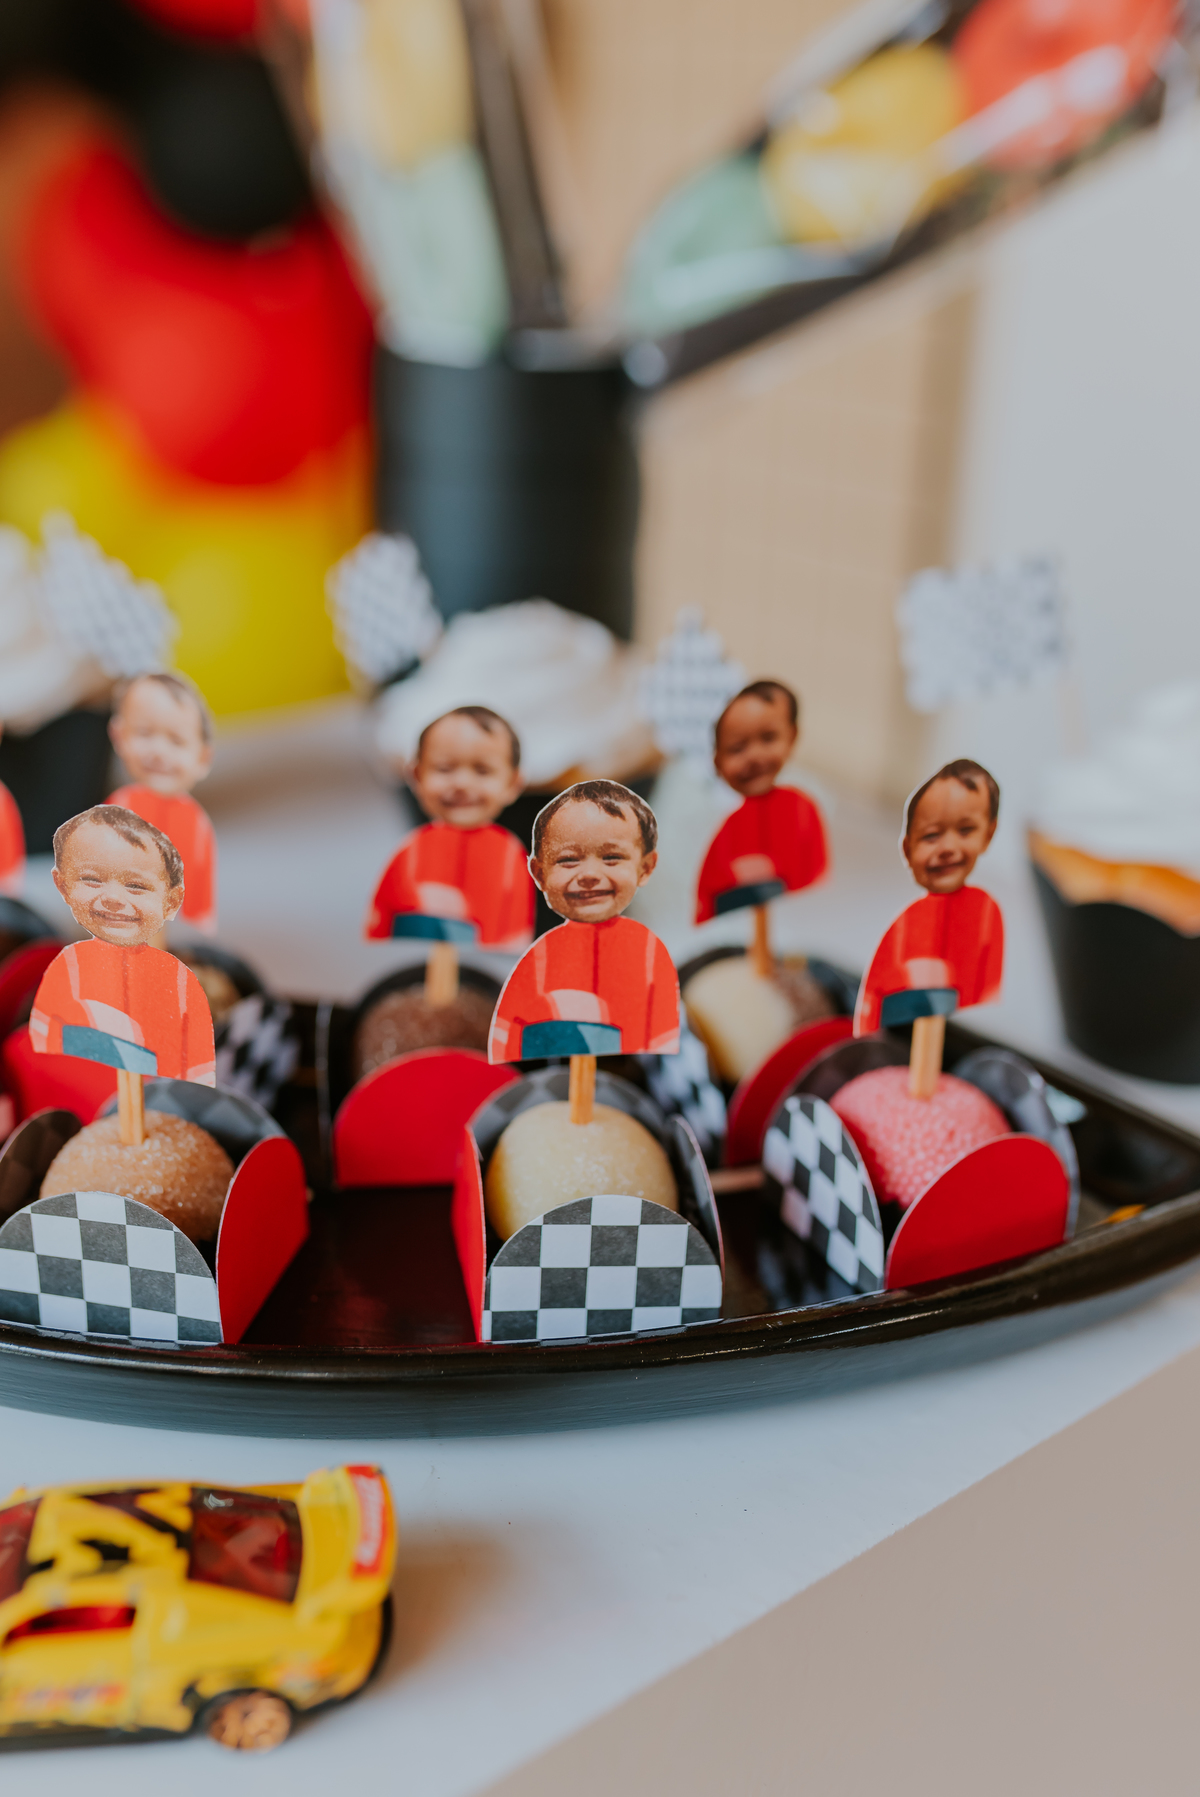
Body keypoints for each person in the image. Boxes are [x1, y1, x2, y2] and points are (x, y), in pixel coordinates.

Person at [489, 780, 679, 1061]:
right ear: (538, 873)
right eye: (568, 860)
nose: (589, 874)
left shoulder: (649, 956)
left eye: (612, 858)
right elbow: (510, 1042)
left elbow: (662, 1039)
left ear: (646, 866)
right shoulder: (535, 964)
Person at [30, 806, 215, 1082]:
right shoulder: (64, 970)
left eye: (136, 886)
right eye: (91, 880)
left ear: (173, 900)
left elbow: (192, 1083)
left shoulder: (182, 987)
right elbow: (43, 1056)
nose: (113, 898)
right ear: (63, 885)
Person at [854, 759, 1003, 1036]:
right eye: (932, 835)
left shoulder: (985, 915)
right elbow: (869, 1015)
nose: (948, 848)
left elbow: (983, 997)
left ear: (989, 833)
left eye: (965, 830)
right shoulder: (904, 929)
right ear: (907, 849)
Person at [366, 705, 533, 949]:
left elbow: (513, 940)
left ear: (513, 783)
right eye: (444, 768)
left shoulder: (509, 857)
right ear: (416, 775)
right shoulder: (409, 853)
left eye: (482, 770)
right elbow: (380, 927)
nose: (462, 783)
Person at [695, 681, 828, 923]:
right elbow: (705, 907)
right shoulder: (724, 828)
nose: (754, 757)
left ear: (792, 737)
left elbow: (817, 885)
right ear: (717, 762)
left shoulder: (803, 810)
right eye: (737, 748)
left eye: (768, 738)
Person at [108, 671, 217, 935]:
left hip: (175, 935)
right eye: (144, 733)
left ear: (203, 758)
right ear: (119, 736)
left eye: (176, 741)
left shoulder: (195, 823)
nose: (158, 752)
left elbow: (200, 905)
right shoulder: (115, 812)